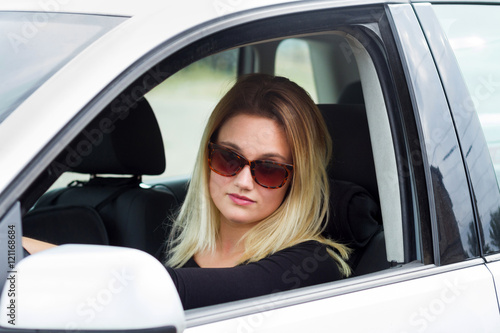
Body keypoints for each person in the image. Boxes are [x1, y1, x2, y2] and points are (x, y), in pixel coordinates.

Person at [23, 74, 351, 310]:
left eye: (269, 169)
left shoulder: (310, 264)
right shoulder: (180, 239)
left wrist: (10, 245)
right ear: (207, 155)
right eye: (228, 158)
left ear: (297, 178)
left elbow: (159, 289)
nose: (243, 181)